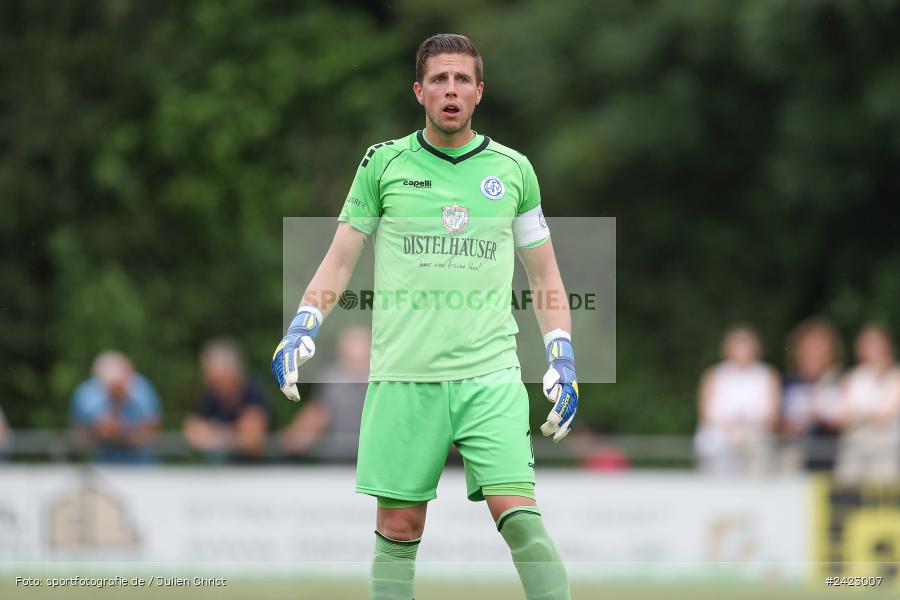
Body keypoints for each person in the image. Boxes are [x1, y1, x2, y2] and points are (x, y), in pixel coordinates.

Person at [272, 34, 577, 600]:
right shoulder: (383, 163)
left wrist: (561, 352)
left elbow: (544, 275)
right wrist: (302, 326)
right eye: (439, 79)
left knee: (519, 516)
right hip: (403, 376)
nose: (451, 90)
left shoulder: (514, 170)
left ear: (479, 92)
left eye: (462, 79)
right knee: (398, 528)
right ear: (419, 91)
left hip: (489, 375)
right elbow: (340, 260)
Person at [695, 326, 780, 475]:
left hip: (755, 439)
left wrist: (746, 425)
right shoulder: (714, 375)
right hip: (719, 440)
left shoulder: (767, 375)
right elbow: (705, 415)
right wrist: (730, 425)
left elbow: (772, 417)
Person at [281, 326, 370, 460]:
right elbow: (318, 414)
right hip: (338, 460)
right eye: (350, 359)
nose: (356, 366)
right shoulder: (331, 380)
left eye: (361, 359)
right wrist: (291, 440)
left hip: (375, 459)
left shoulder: (384, 384)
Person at [184, 338, 270, 461]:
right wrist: (231, 434)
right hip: (227, 469)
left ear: (230, 369)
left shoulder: (252, 392)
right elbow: (192, 429)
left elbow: (252, 438)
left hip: (261, 469)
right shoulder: (210, 395)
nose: (207, 377)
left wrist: (215, 434)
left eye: (210, 371)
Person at [834, 325, 900, 483]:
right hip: (855, 442)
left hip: (886, 445)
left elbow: (885, 417)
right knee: (847, 484)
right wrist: (867, 416)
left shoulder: (895, 375)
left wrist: (859, 415)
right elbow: (843, 416)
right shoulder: (854, 377)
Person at [70, 351, 161, 463]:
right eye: (112, 388)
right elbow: (80, 433)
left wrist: (121, 434)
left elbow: (151, 430)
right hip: (101, 463)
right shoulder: (86, 394)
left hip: (140, 465)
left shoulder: (142, 390)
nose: (117, 392)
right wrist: (100, 431)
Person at [778, 319, 843, 472]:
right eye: (810, 347)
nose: (815, 352)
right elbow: (777, 421)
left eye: (820, 347)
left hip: (831, 450)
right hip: (795, 447)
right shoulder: (787, 381)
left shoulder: (840, 380)